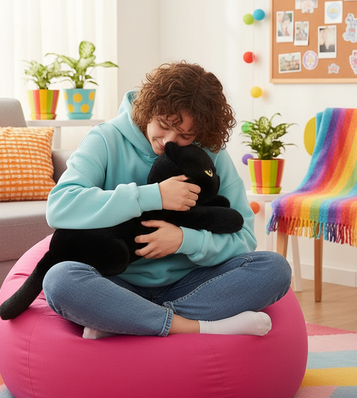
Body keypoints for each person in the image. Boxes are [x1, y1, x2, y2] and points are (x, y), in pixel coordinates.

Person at [43, 62, 291, 339]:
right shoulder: (105, 138)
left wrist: (184, 240)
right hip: (116, 283)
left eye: (186, 136)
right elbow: (60, 207)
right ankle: (195, 326)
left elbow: (244, 236)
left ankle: (128, 320)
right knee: (59, 280)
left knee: (274, 268)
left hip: (193, 283)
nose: (168, 141)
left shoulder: (211, 153)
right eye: (164, 125)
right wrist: (153, 195)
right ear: (149, 109)